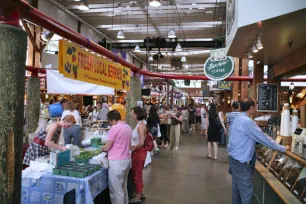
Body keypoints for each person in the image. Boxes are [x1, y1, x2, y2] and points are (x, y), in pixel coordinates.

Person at [228, 98, 289, 204]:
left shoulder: (238, 118)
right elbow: (263, 138)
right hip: (242, 162)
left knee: (236, 191)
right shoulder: (247, 121)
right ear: (251, 108)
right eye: (255, 106)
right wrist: (282, 148)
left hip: (234, 159)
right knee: (247, 194)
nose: (256, 108)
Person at [102, 110, 132, 204]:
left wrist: (103, 148)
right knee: (123, 187)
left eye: (110, 122)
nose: (110, 124)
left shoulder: (114, 129)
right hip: (126, 159)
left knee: (116, 191)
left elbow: (107, 147)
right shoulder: (128, 127)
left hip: (117, 163)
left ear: (113, 120)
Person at [129, 106, 147, 204]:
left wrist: (132, 150)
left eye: (133, 113)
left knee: (137, 175)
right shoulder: (141, 124)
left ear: (137, 114)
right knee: (137, 173)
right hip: (139, 152)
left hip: (138, 153)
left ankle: (138, 196)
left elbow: (141, 142)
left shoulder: (140, 126)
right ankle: (140, 192)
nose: (132, 115)